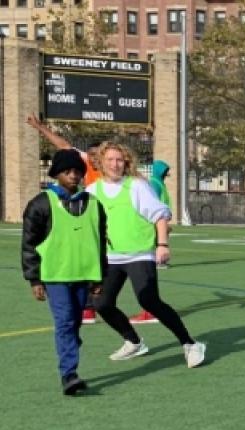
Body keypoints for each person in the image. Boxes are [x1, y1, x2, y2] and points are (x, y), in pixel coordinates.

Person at [89, 142, 206, 367]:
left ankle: (190, 344)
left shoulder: (136, 186)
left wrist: (162, 244)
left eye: (119, 160)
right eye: (110, 160)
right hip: (111, 257)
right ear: (101, 162)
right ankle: (133, 342)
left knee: (148, 300)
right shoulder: (93, 191)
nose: (115, 164)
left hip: (140, 254)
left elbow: (160, 215)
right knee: (101, 303)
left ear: (126, 163)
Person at [20, 150, 108, 395]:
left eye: (77, 171)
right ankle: (69, 374)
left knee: (75, 323)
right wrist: (34, 278)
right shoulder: (40, 203)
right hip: (55, 276)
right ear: (56, 174)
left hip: (83, 275)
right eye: (67, 172)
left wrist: (99, 276)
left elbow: (100, 241)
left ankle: (69, 348)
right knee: (65, 321)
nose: (73, 176)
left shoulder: (94, 204)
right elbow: (29, 243)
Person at [27, 114, 103, 325]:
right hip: (83, 215)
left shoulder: (113, 169)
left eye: (99, 154)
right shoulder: (83, 168)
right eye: (91, 154)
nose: (94, 157)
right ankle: (89, 306)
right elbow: (63, 145)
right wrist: (39, 127)